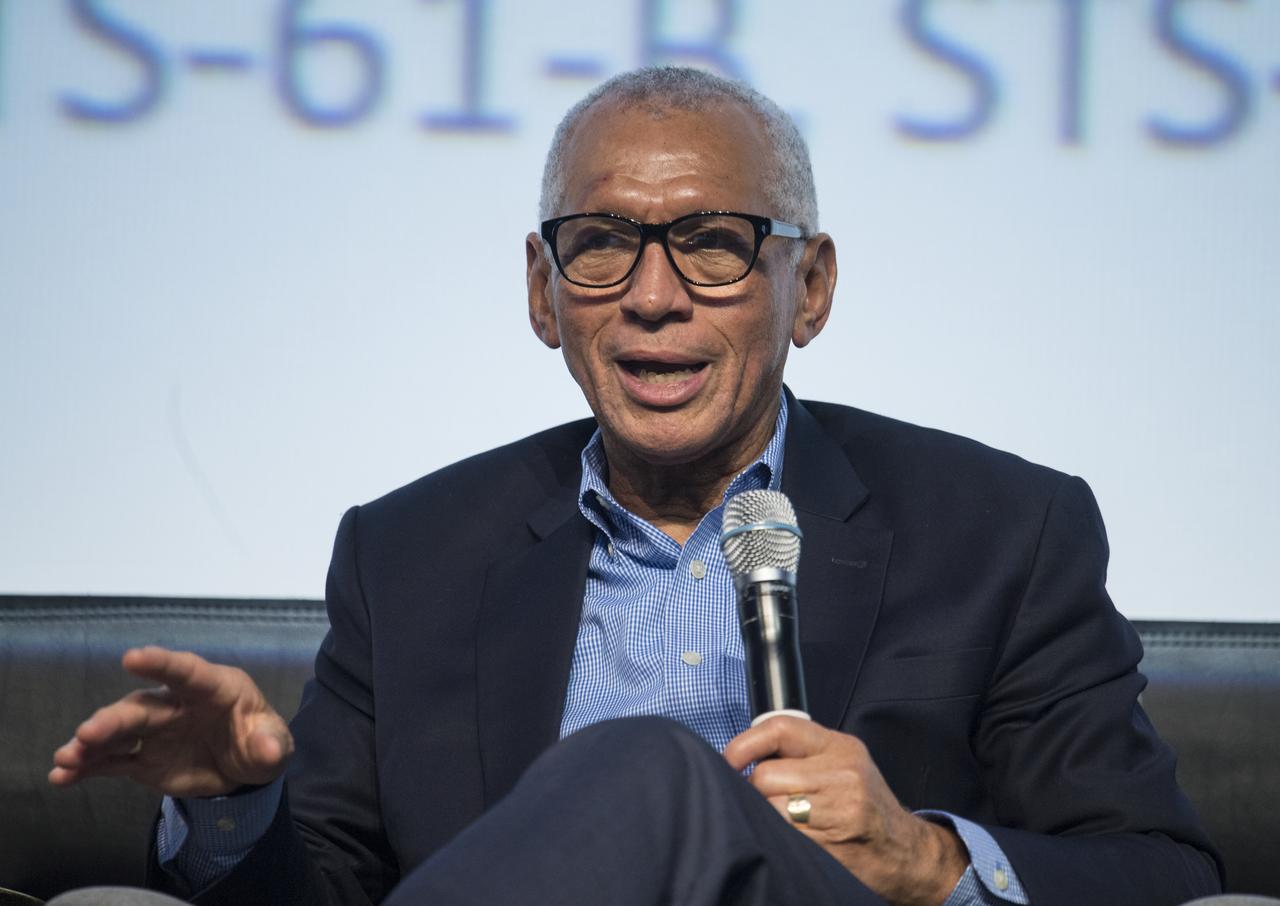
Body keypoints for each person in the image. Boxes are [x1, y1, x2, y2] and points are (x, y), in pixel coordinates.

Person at [49, 67, 1222, 906]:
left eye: (712, 242)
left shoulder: (1000, 532)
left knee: (646, 765)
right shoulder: (407, 553)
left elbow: (1156, 871)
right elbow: (332, 888)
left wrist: (927, 864)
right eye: (600, 242)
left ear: (807, 287)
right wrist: (239, 806)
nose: (651, 296)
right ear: (543, 291)